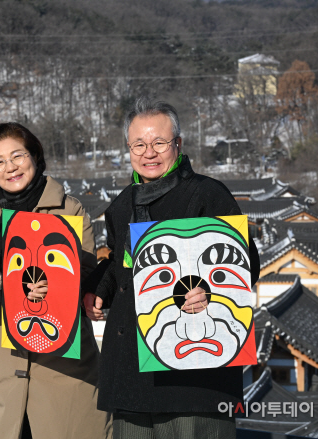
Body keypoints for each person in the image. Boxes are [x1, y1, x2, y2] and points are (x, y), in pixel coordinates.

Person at [83, 97, 261, 439]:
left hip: (194, 370)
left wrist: (209, 292)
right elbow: (121, 264)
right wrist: (99, 289)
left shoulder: (208, 194)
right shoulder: (121, 205)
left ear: (177, 144)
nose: (149, 152)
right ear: (128, 149)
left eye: (159, 143)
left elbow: (246, 263)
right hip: (132, 370)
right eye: (139, 144)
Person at [0, 122, 111, 439]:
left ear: (34, 155)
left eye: (17, 156)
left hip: (61, 370)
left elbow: (85, 279)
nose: (10, 167)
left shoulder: (69, 210)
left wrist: (56, 289)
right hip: (4, 371)